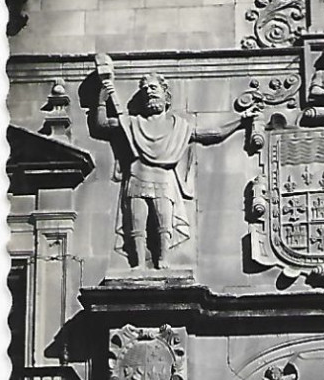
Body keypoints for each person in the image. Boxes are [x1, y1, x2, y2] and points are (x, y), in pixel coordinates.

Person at [90, 70, 245, 269]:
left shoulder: (178, 126)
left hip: (163, 179)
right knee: (136, 225)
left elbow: (212, 134)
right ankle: (138, 263)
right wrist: (101, 101)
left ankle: (163, 260)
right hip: (137, 177)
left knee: (165, 224)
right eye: (144, 89)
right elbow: (101, 125)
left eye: (153, 88)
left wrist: (241, 122)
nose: (149, 92)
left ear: (165, 94)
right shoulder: (133, 123)